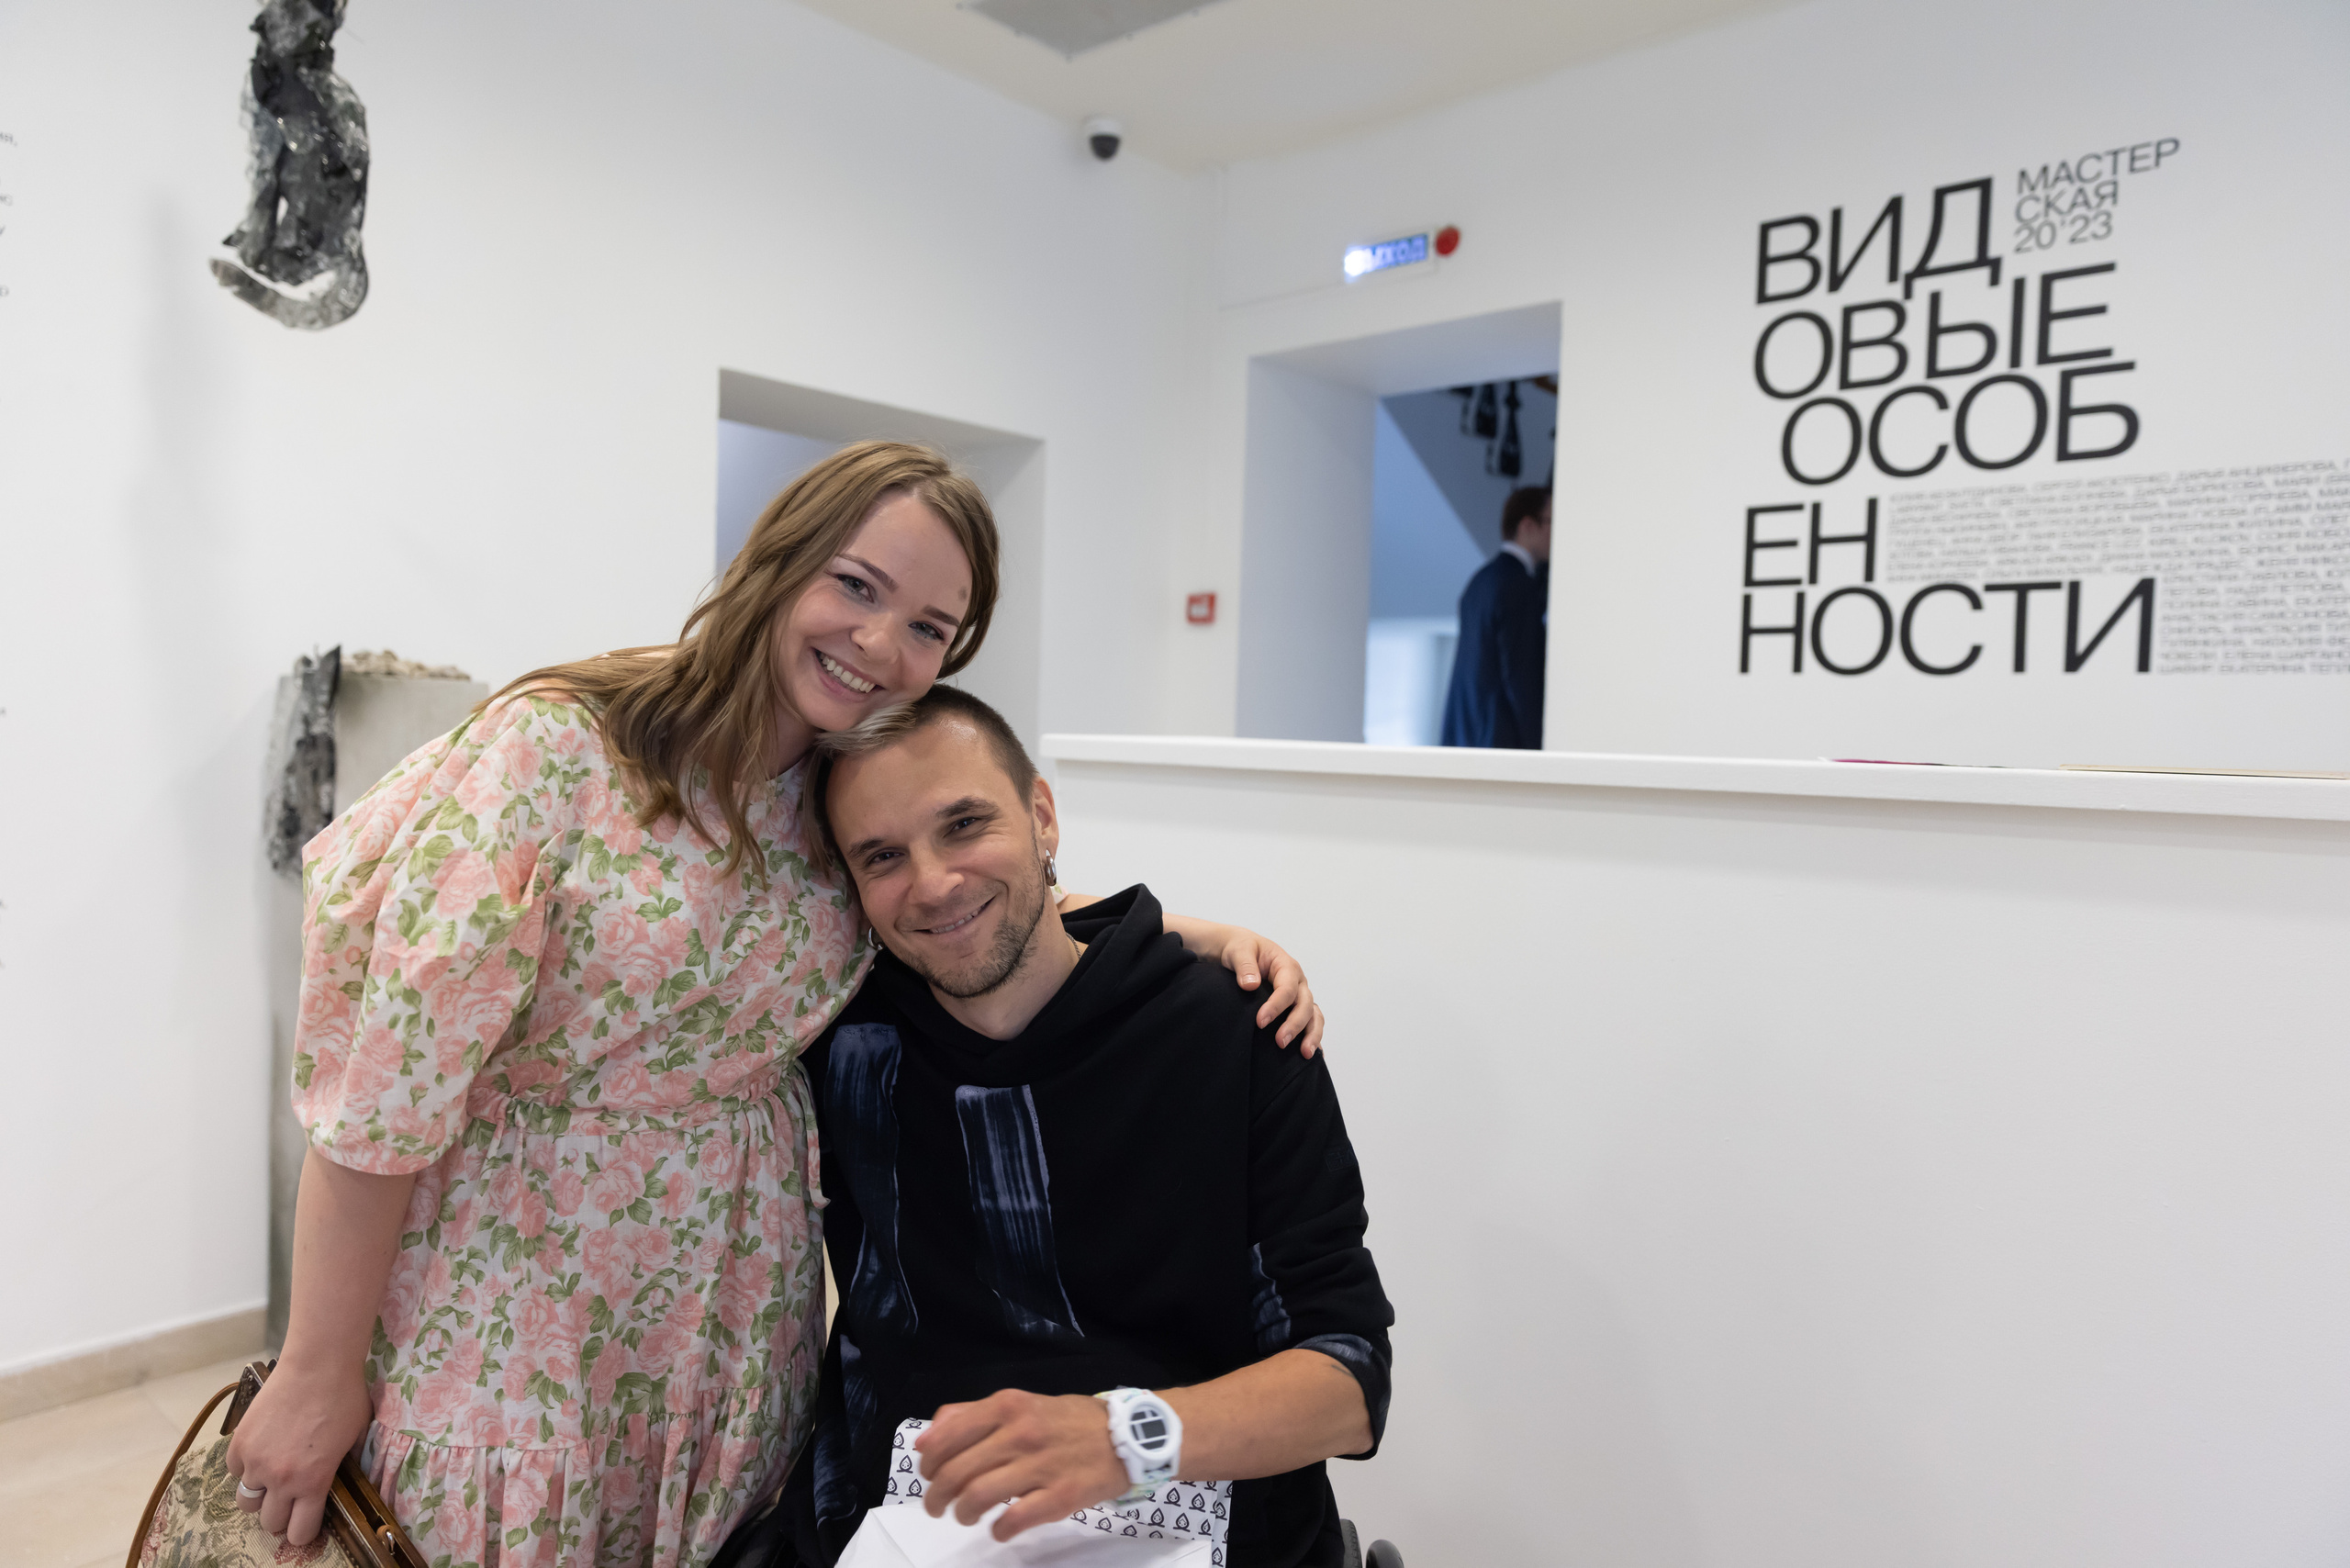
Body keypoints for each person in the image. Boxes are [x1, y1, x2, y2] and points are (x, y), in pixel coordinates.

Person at [221, 442, 1327, 1568]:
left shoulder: (834, 797)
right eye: (856, 585)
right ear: (779, 559)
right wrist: (318, 1366)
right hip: (517, 1305)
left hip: (735, 1328)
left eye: (929, 628)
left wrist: (1188, 933)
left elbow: (951, 893)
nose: (880, 644)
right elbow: (384, 1095)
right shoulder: (554, 750)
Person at [718, 686, 1393, 1568]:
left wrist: (1123, 1436)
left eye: (964, 825)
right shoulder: (837, 1041)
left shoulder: (1238, 1031)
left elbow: (1348, 1379)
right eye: (882, 855)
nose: (933, 883)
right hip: (902, 1517)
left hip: (1204, 1507)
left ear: (1043, 814)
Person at [1438, 485, 1551, 749]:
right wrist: (1540, 751)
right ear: (1528, 525)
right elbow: (1522, 678)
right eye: (1551, 521)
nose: (1556, 533)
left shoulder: (1480, 581)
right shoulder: (1518, 586)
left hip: (1468, 737)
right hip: (1501, 742)